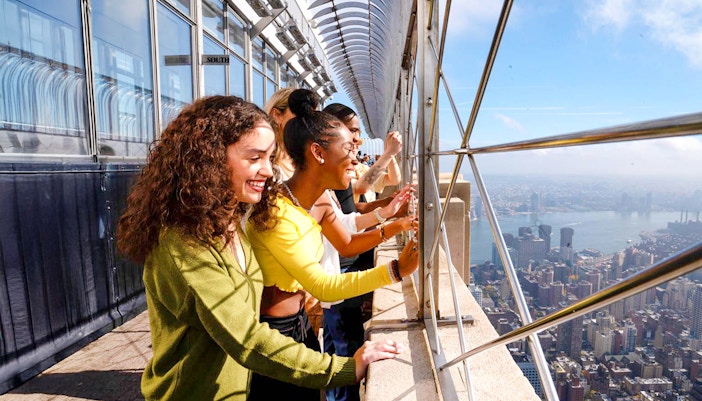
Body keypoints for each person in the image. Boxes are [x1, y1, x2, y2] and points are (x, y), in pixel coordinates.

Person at [116, 95, 404, 401]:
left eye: (270, 158)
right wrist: (344, 368)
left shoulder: (228, 224)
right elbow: (246, 339)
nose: (268, 171)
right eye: (255, 158)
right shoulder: (183, 243)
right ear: (209, 159)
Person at [247, 90, 419, 400]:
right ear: (318, 153)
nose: (356, 159)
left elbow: (347, 241)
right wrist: (395, 270)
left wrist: (396, 223)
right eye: (348, 149)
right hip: (273, 332)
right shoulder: (276, 211)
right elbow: (323, 286)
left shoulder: (318, 198)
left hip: (299, 322)